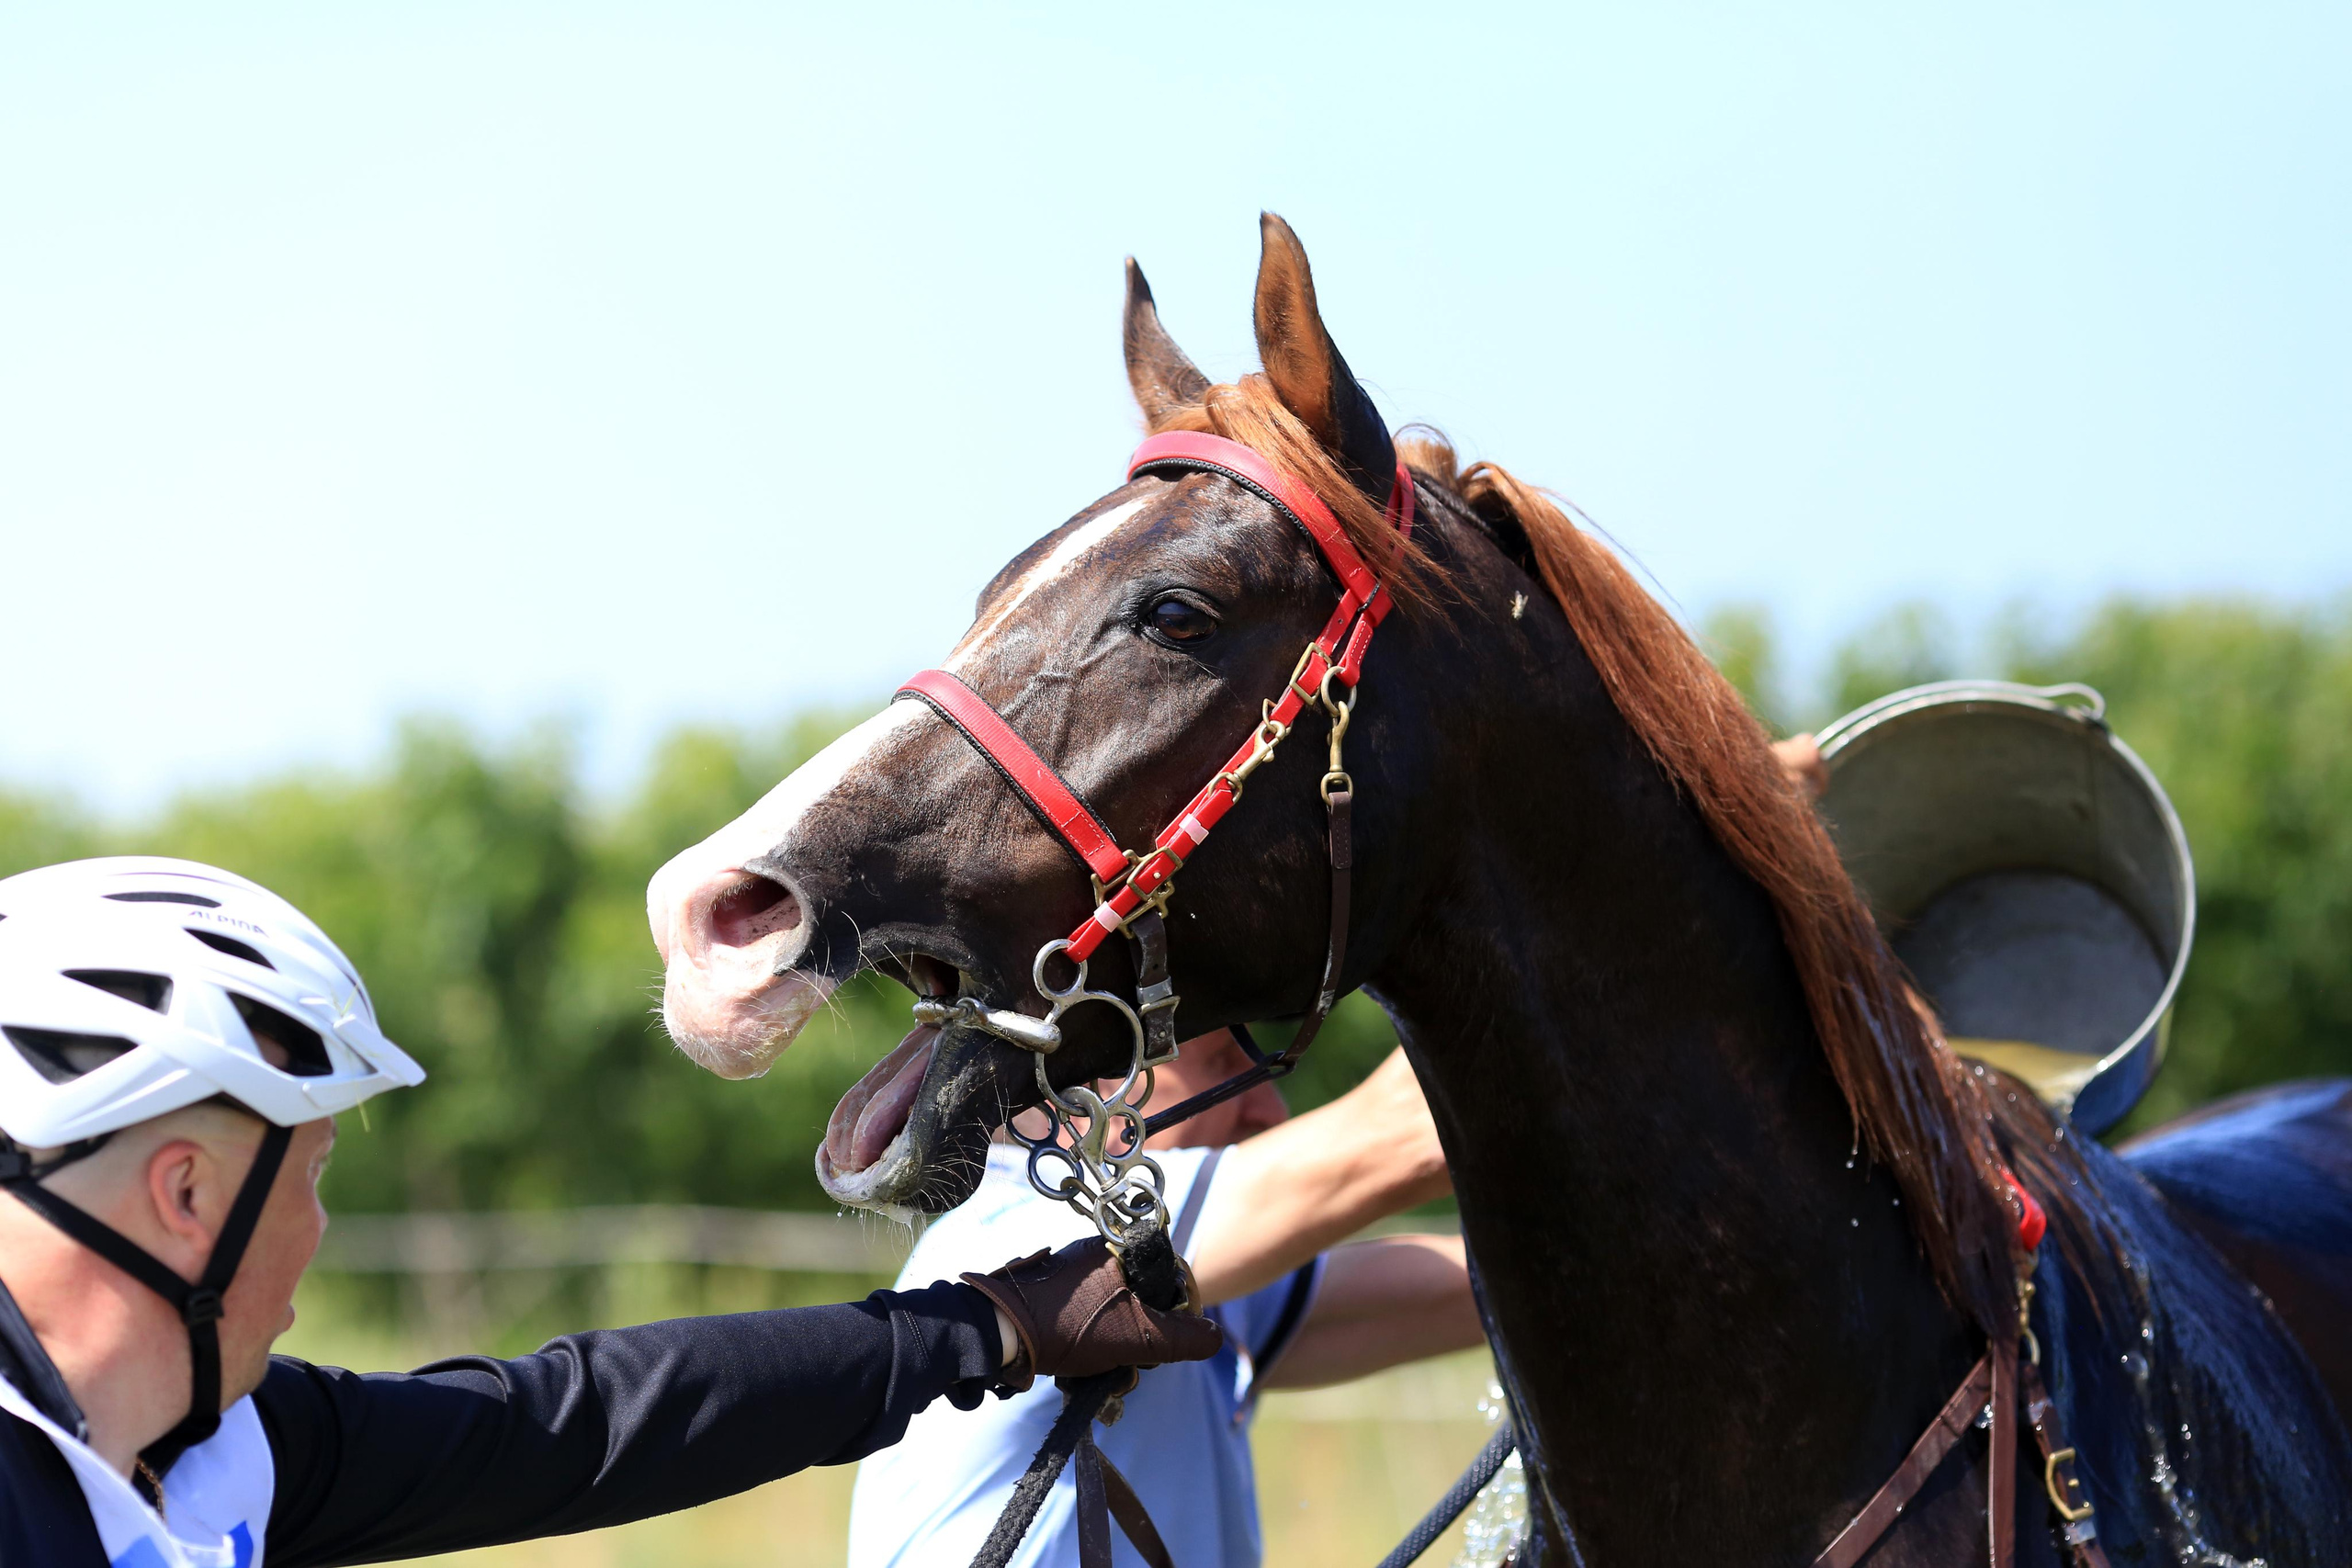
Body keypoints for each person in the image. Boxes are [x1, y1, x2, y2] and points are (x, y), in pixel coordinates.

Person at [0, 858, 1218, 1568]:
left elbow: (576, 1423)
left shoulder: (212, 1444)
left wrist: (989, 1323)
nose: (318, 1227)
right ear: (188, 1194)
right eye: (310, 1173)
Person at [849, 1027, 1482, 1568]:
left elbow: (1475, 1295)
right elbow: (1417, 1133)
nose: (1269, 1112)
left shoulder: (1177, 1283)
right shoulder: (1030, 1241)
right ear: (1082, 1089)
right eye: (1223, 1062)